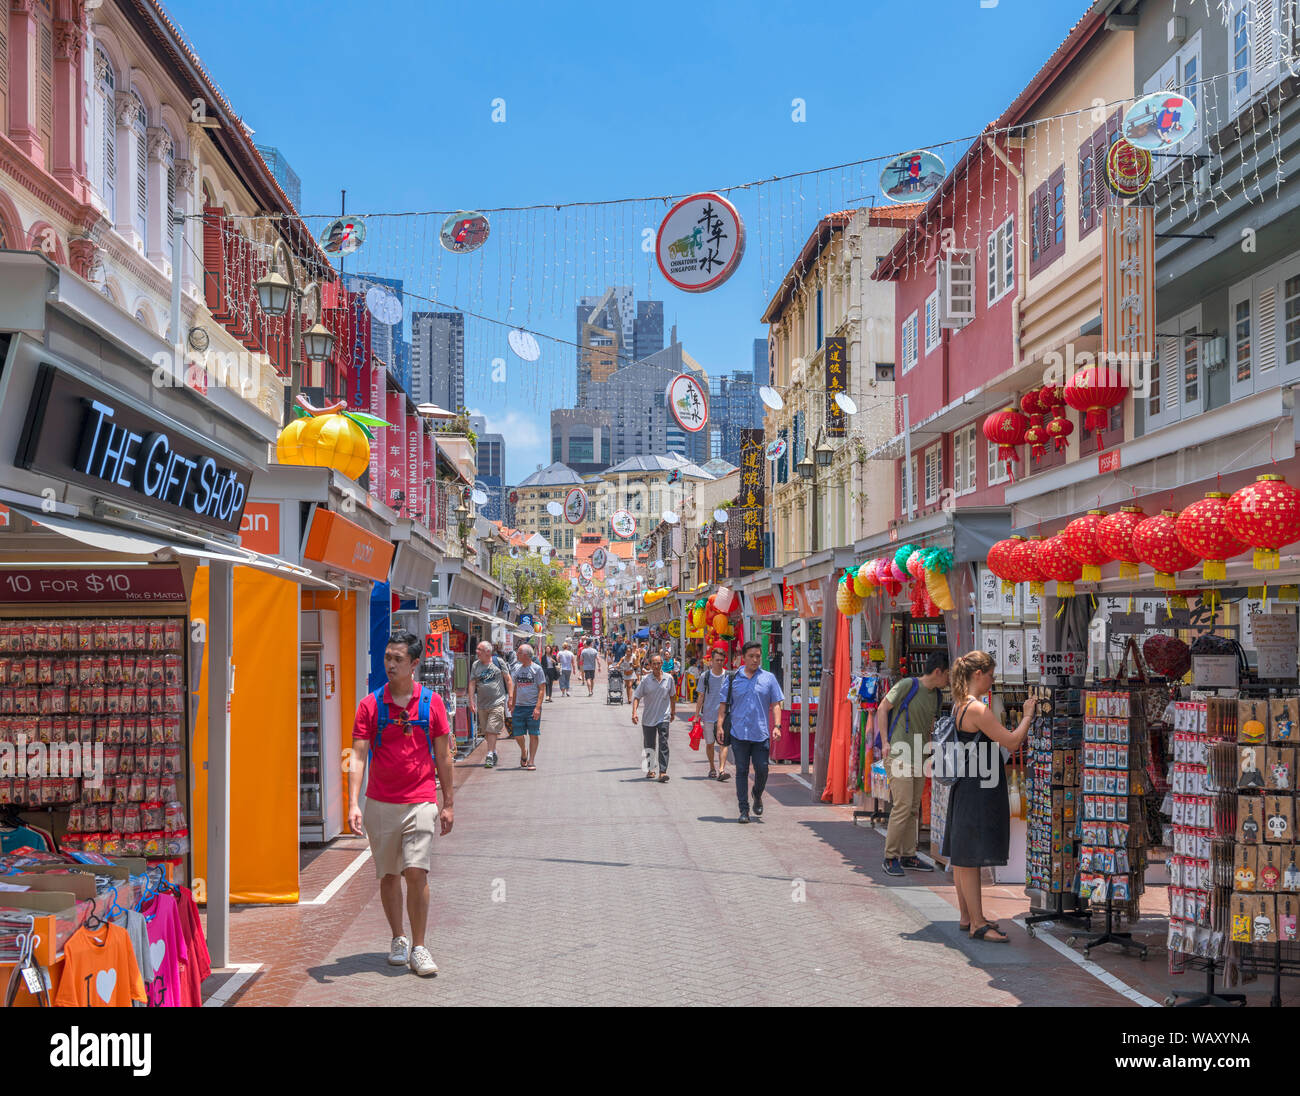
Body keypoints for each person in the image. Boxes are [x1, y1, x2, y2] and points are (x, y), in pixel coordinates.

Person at [348, 630, 454, 977]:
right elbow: (358, 755)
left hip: (421, 801)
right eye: (387, 658)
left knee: (417, 871)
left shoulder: (431, 703)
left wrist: (447, 802)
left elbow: (443, 755)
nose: (390, 664)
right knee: (389, 874)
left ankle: (420, 947)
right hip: (379, 802)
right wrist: (353, 802)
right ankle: (398, 938)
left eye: (398, 659)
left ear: (414, 664)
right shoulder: (370, 705)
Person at [943, 650, 1035, 943]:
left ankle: (967, 916)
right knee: (970, 857)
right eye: (991, 675)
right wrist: (1028, 716)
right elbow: (1011, 740)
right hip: (978, 788)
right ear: (978, 674)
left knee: (962, 855)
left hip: (966, 785)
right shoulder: (976, 709)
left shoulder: (959, 704)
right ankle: (978, 923)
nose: (993, 680)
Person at [875, 652, 951, 877]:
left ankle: (908, 855)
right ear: (938, 671)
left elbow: (930, 727)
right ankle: (890, 857)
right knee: (902, 807)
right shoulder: (908, 684)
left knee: (912, 809)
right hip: (899, 755)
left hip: (920, 758)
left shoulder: (937, 696)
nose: (949, 680)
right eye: (948, 674)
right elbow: (882, 708)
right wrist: (886, 742)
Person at [716, 640, 784, 824]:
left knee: (762, 769)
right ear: (743, 658)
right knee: (741, 771)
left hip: (761, 733)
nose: (755, 660)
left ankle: (757, 793)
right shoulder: (732, 678)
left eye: (757, 656)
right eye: (751, 656)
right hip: (739, 733)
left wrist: (777, 726)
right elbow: (723, 706)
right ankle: (744, 809)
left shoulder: (768, 678)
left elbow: (776, 703)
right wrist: (720, 726)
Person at [468, 640, 513, 769]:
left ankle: (488, 754)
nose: (476, 652)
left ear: (488, 652)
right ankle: (493, 751)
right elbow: (472, 683)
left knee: (491, 729)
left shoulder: (499, 662)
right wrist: (471, 701)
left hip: (497, 702)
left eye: (479, 650)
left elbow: (508, 679)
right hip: (482, 704)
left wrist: (510, 697)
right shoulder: (476, 665)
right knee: (486, 732)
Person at [631, 653, 675, 782]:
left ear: (662, 664)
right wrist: (634, 713)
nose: (656, 666)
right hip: (648, 718)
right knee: (649, 744)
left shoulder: (669, 678)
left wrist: (673, 711)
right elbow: (637, 697)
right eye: (654, 664)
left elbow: (672, 696)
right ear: (650, 665)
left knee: (663, 744)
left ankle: (663, 771)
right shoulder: (645, 680)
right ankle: (650, 769)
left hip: (664, 717)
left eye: (658, 663)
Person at [693, 644, 732, 781]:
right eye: (717, 660)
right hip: (709, 715)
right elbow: (701, 696)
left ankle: (721, 769)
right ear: (712, 661)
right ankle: (712, 767)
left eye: (722, 660)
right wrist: (697, 715)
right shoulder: (706, 676)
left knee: (723, 743)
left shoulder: (728, 676)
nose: (719, 662)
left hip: (725, 716)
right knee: (710, 743)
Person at [508, 644, 545, 769]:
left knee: (534, 734)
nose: (516, 654)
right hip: (519, 706)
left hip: (532, 707)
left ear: (525, 655)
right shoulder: (517, 669)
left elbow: (541, 689)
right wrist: (512, 704)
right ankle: (524, 751)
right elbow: (515, 687)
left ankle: (531, 761)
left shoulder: (537, 669)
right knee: (518, 734)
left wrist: (537, 707)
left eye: (518, 652)